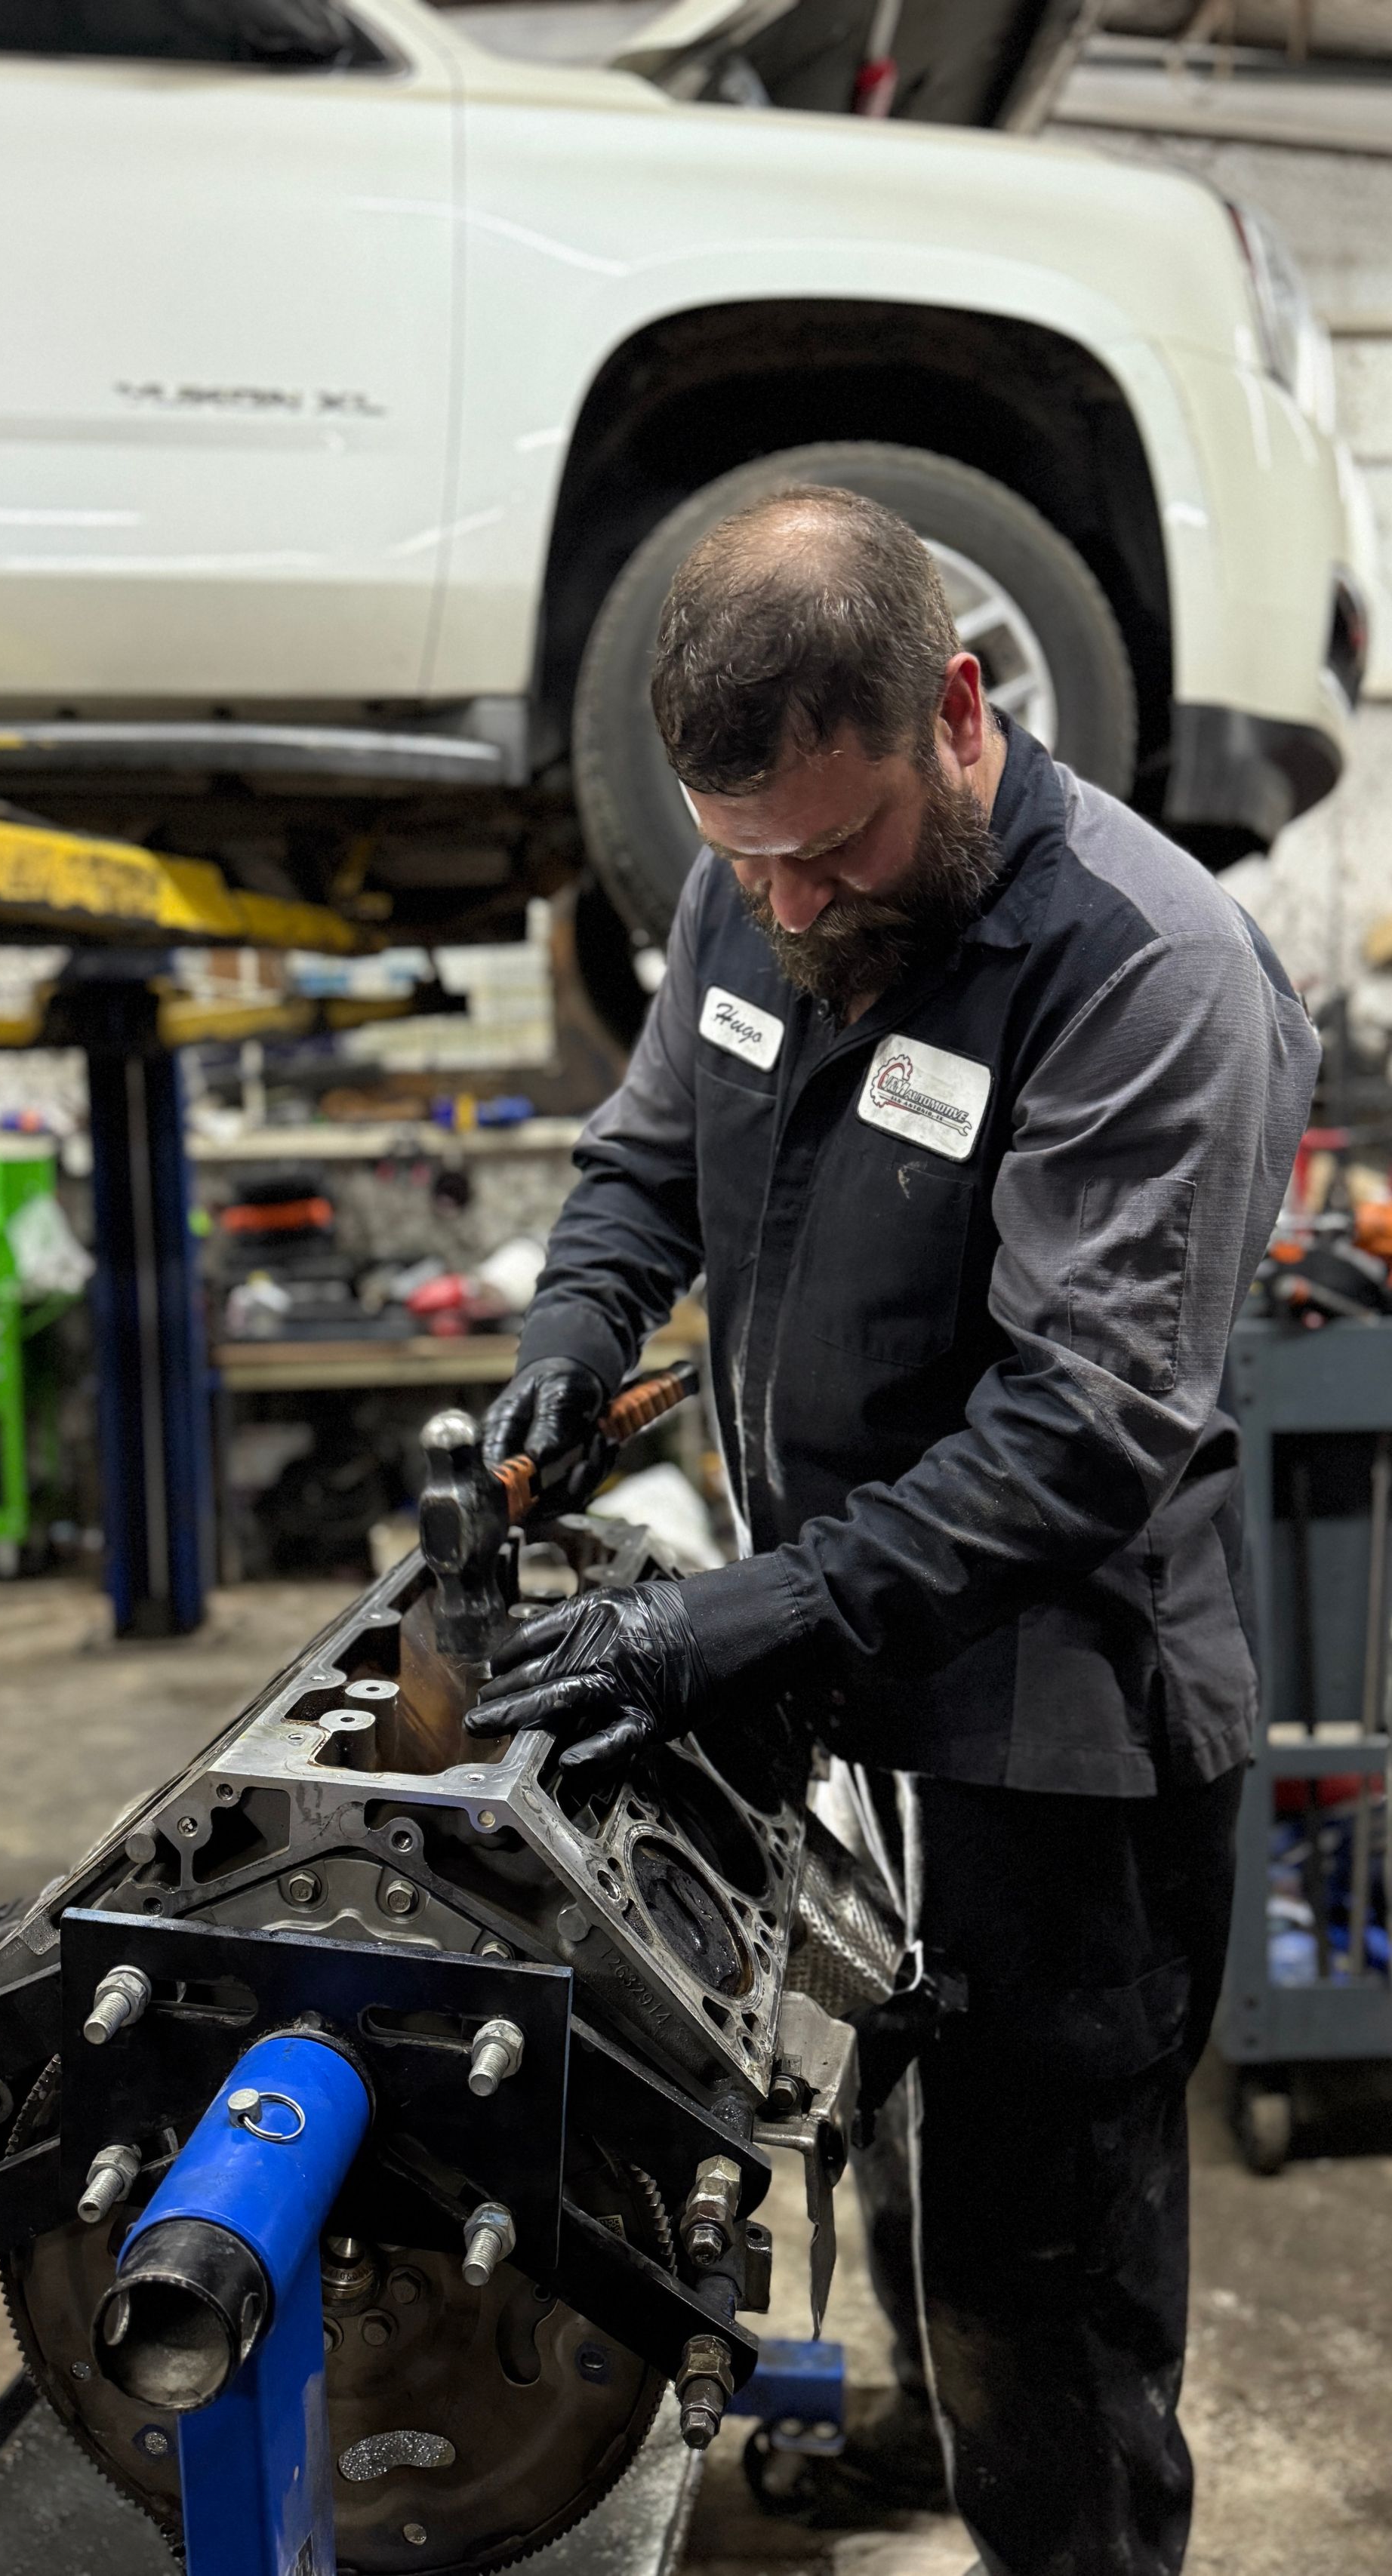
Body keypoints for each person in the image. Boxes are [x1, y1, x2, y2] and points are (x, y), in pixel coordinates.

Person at [468, 486, 1319, 2576]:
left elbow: (1077, 1431)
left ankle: (1074, 2538)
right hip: (848, 1654)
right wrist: (575, 1335)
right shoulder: (754, 885)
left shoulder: (1142, 968)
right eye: (744, 852)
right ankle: (934, 2443)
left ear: (961, 709)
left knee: (1050, 2233)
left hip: (1062, 1702)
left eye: (834, 847)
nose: (793, 901)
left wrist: (726, 1627)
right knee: (888, 2115)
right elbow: (650, 1155)